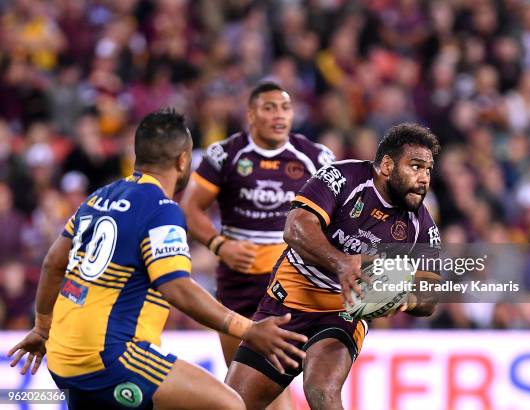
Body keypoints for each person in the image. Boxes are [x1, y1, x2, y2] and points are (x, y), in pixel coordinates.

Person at [8, 109, 307, 410]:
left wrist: (42, 328)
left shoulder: (97, 198)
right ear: (182, 160)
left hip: (62, 358)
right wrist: (249, 330)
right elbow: (176, 287)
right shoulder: (161, 208)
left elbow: (52, 263)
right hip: (112, 356)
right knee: (228, 405)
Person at [225, 123, 443, 409]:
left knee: (321, 391)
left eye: (427, 170)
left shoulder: (421, 225)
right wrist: (341, 264)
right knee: (233, 404)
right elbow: (295, 227)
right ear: (388, 165)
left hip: (344, 311)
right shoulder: (343, 177)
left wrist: (405, 297)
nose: (424, 178)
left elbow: (431, 293)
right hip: (290, 298)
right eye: (415, 167)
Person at [180, 81, 333, 408]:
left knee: (266, 387)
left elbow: (339, 216)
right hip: (236, 286)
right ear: (251, 115)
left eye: (285, 107)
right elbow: (190, 207)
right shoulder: (226, 155)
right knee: (242, 393)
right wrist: (219, 244)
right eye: (269, 107)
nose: (279, 115)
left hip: (285, 288)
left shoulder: (315, 158)